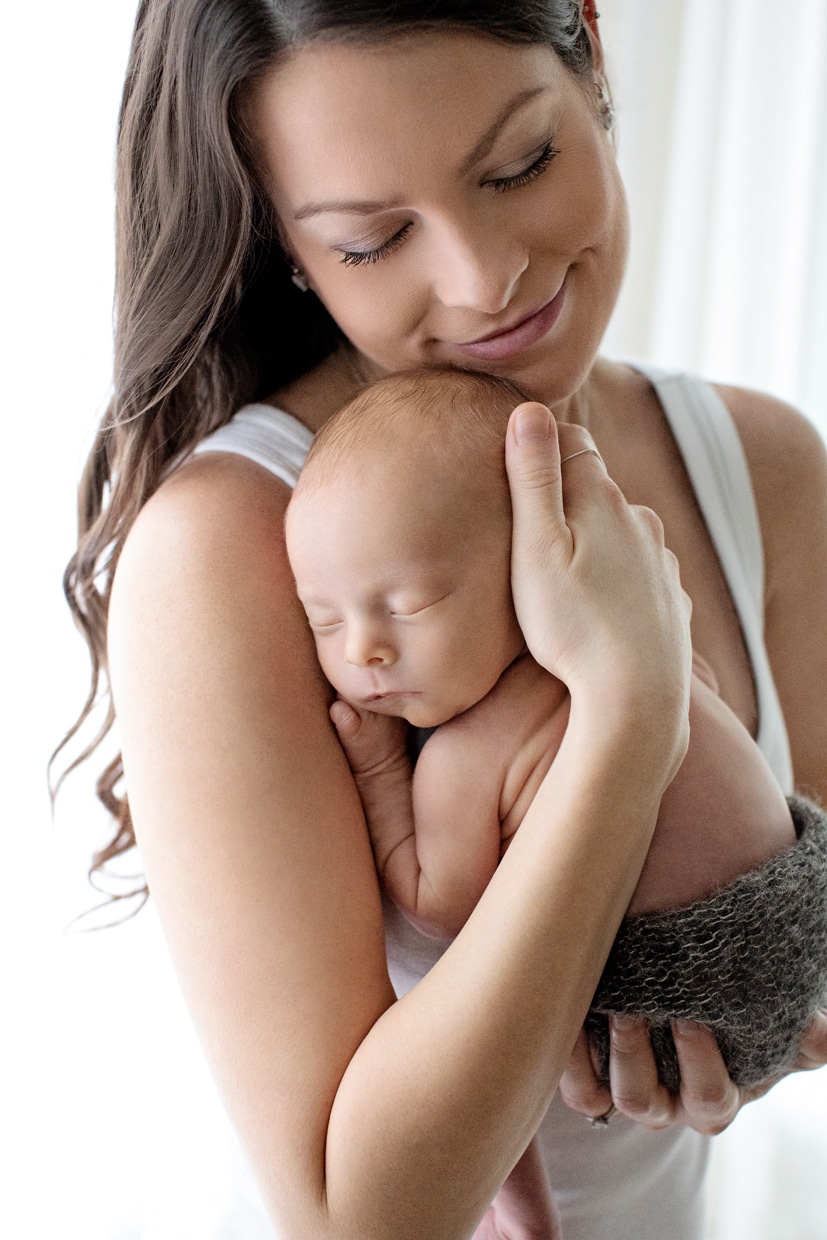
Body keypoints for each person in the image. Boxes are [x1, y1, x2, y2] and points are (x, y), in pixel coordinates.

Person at [60, 2, 827, 1237]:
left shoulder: (758, 467)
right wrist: (627, 713)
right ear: (286, 247)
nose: (483, 280)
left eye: (519, 164)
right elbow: (356, 1217)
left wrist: (775, 988)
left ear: (586, 41)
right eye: (371, 240)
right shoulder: (236, 545)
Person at [283, 364, 827, 1235]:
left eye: (410, 605)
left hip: (670, 991)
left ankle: (524, 1211)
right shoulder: (649, 629)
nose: (365, 652)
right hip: (788, 948)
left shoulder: (472, 749)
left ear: (522, 570)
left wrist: (385, 778)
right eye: (323, 620)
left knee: (496, 1027)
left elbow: (440, 901)